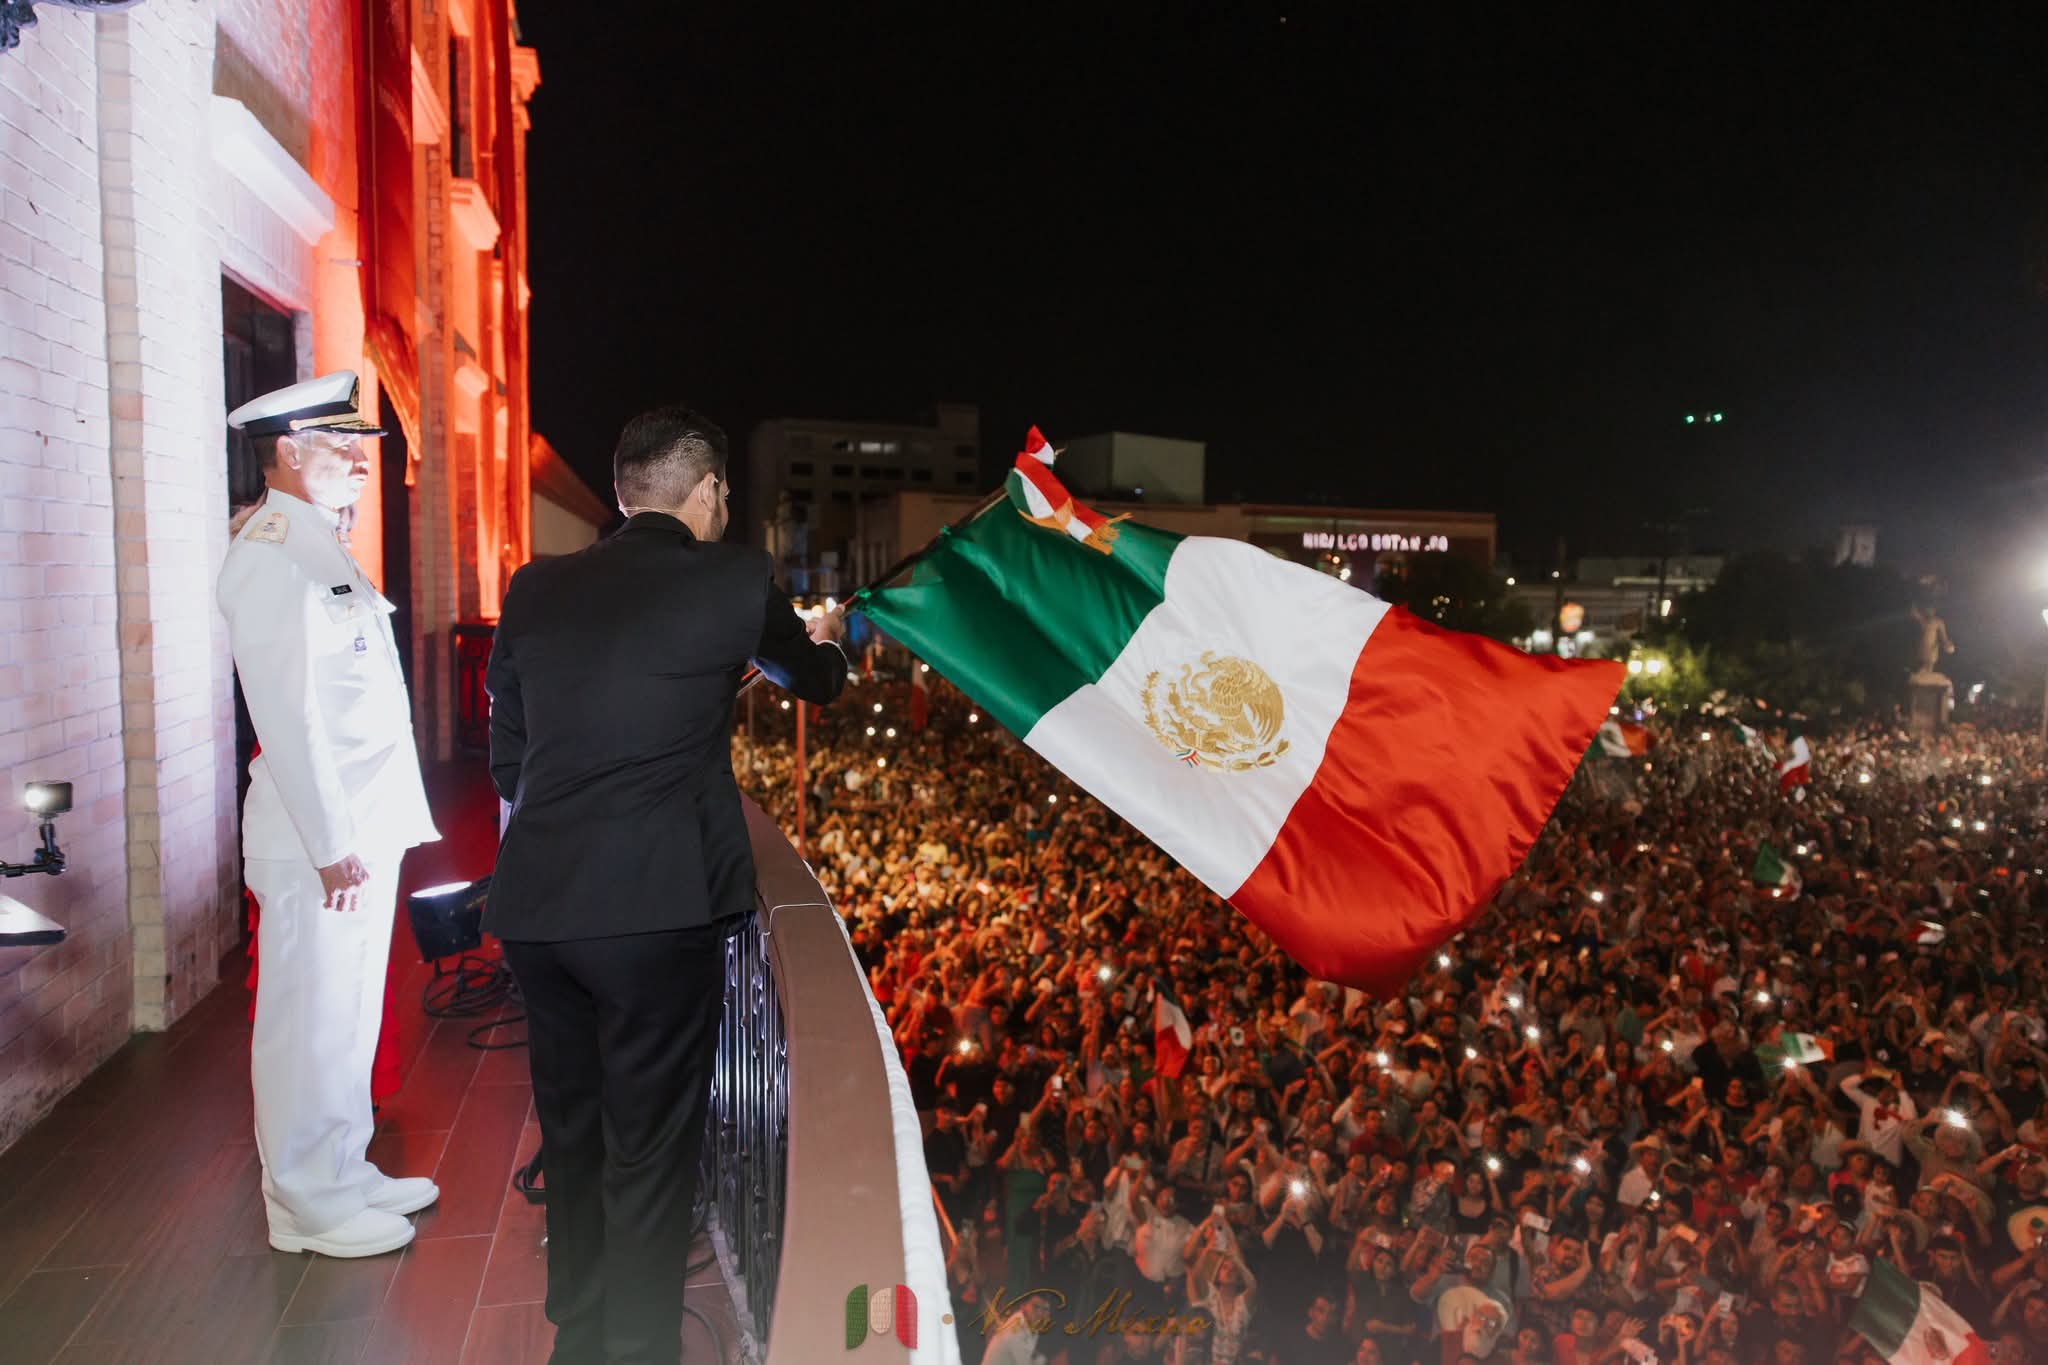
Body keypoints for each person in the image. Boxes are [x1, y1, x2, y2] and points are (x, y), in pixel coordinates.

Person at [485, 405, 848, 1364]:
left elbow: (509, 753)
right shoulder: (734, 579)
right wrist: (830, 638)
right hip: (653, 915)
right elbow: (814, 679)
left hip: (537, 911)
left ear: (623, 492)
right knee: (648, 1146)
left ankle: (578, 1330)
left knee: (573, 1127)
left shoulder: (535, 586)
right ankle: (639, 1347)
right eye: (724, 491)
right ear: (707, 490)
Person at [216, 371, 441, 1257]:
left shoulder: (318, 544)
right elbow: (287, 713)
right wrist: (332, 842)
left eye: (361, 445)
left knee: (347, 1013)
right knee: (305, 1022)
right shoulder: (270, 552)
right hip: (319, 838)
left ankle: (343, 1169)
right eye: (342, 444)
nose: (360, 460)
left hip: (360, 826)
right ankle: (302, 1203)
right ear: (287, 450)